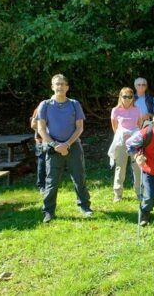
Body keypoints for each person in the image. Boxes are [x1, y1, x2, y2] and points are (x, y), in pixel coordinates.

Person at [37, 74, 92, 223]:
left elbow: (80, 128)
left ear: (67, 87)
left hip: (73, 147)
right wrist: (56, 145)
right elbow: (41, 129)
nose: (60, 87)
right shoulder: (45, 105)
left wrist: (67, 144)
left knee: (79, 179)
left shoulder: (74, 104)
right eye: (57, 84)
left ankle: (85, 207)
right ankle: (48, 211)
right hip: (53, 148)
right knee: (51, 181)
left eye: (62, 84)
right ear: (52, 87)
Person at [108, 87, 142, 202]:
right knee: (120, 168)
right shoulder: (115, 110)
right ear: (120, 97)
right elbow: (115, 127)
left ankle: (139, 191)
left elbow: (139, 125)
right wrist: (123, 136)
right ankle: (118, 194)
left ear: (133, 98)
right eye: (125, 96)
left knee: (138, 167)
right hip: (121, 143)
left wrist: (132, 137)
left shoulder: (137, 110)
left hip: (135, 143)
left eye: (130, 97)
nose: (127, 99)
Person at [30, 106, 46, 195]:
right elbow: (33, 125)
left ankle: (51, 184)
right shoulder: (39, 109)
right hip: (41, 141)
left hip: (54, 141)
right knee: (42, 164)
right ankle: (41, 186)